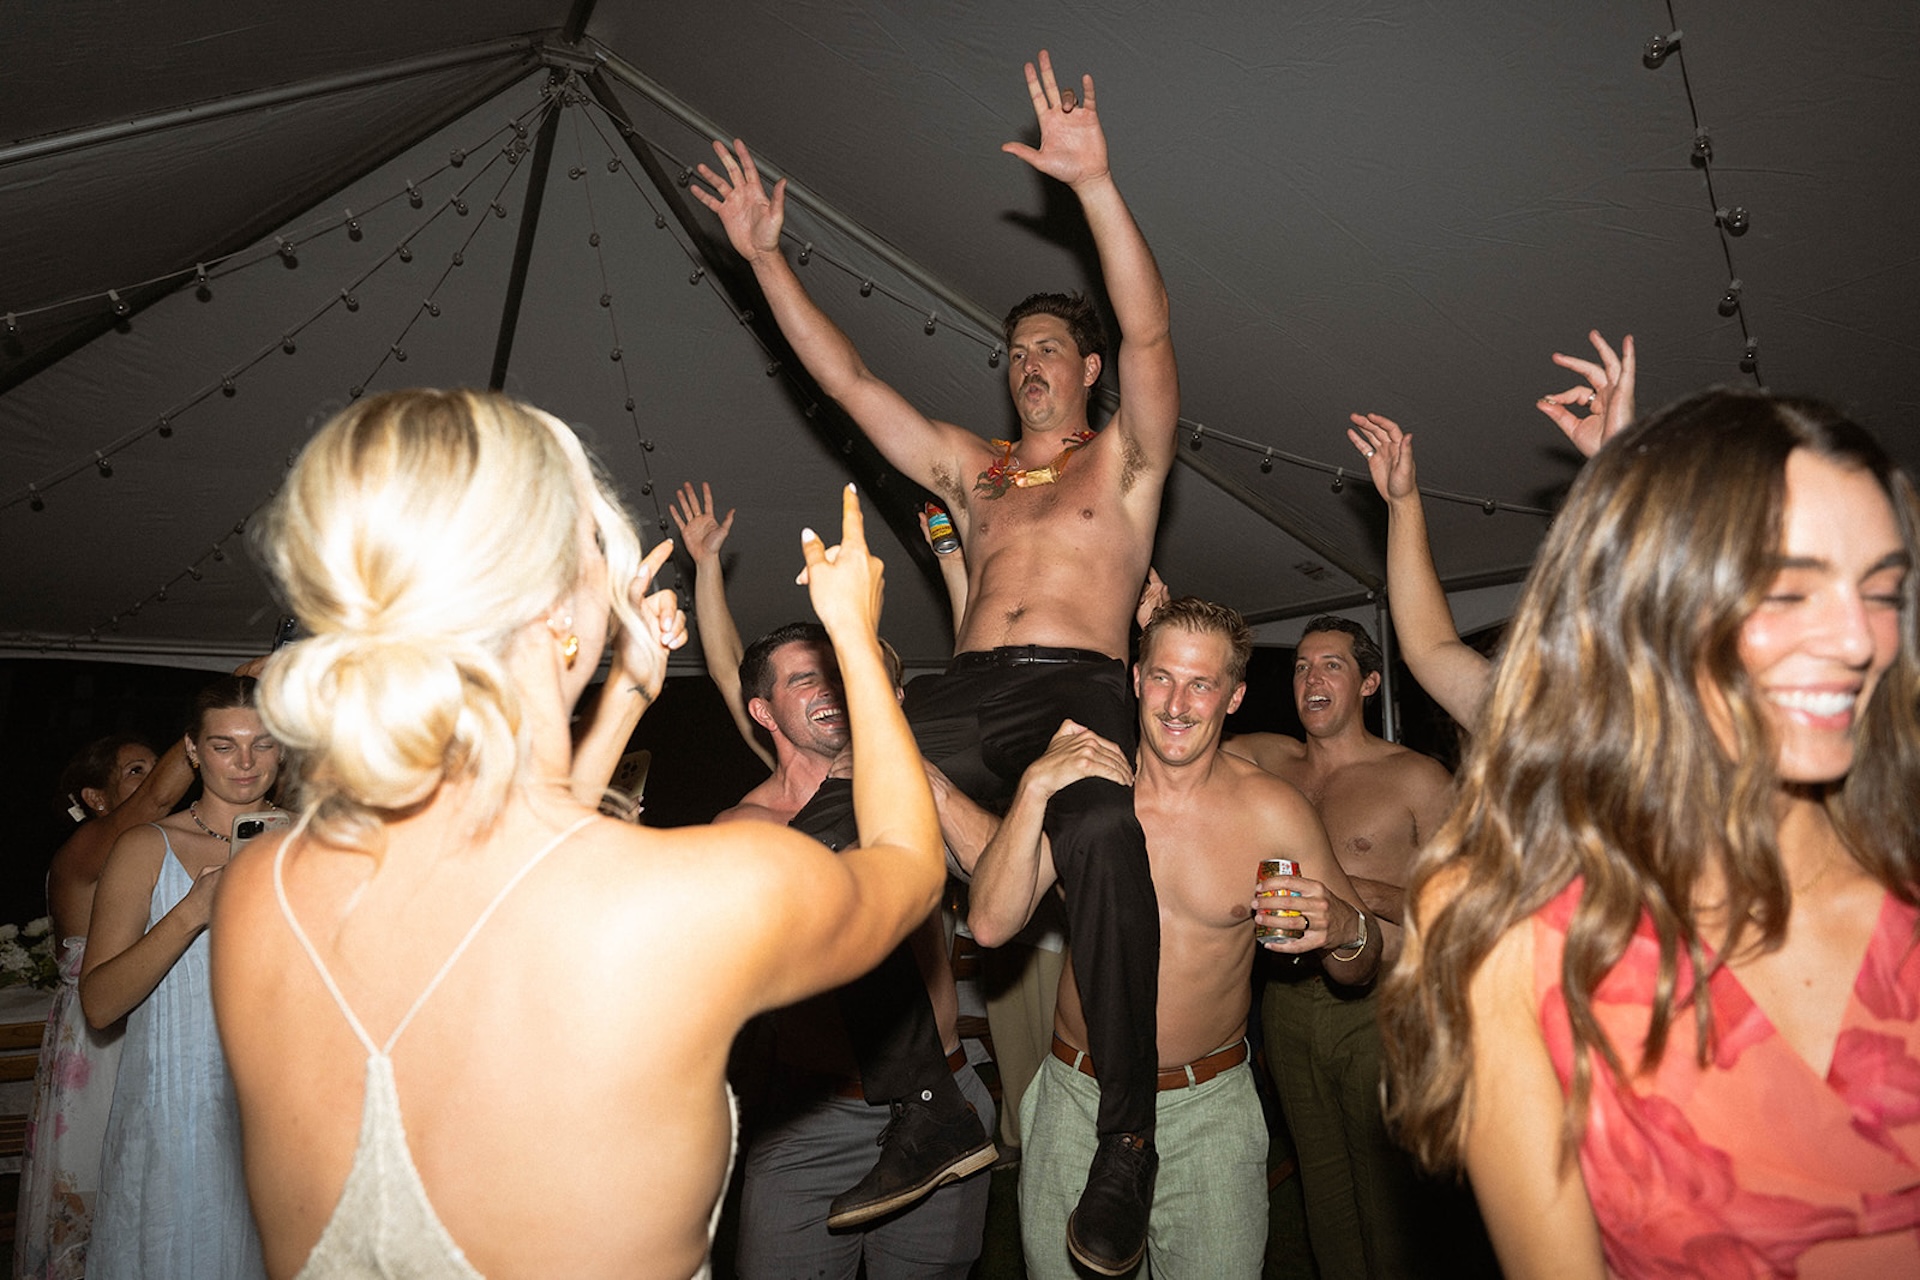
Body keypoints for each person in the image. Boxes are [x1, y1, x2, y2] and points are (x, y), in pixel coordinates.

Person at [209, 389, 944, 1280]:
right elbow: (908, 865)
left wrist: (628, 695)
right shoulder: (687, 897)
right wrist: (857, 642)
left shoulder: (264, 890)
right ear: (562, 611)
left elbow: (510, 874)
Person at [694, 50, 1180, 1271]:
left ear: (1086, 374)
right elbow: (852, 384)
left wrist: (1098, 187)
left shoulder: (1125, 462)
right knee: (825, 830)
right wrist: (763, 260)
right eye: (1013, 349)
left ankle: (1127, 1141)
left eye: (1047, 349)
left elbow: (1151, 323)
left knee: (1107, 837)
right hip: (959, 695)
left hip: (1075, 686)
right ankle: (926, 1103)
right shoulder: (975, 468)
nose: (1026, 362)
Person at [1380, 389, 1920, 1278]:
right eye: (1790, 586)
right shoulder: (1512, 922)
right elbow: (1433, 651)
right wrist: (1405, 503)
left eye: (1885, 590)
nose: (1858, 638)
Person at [964, 597, 1375, 1278]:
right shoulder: (1089, 790)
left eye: (1201, 683)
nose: (1177, 703)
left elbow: (1358, 969)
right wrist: (1037, 787)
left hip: (1206, 1109)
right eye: (1162, 677)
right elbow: (990, 922)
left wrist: (1347, 929)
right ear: (1134, 679)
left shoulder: (1273, 810)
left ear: (1234, 696)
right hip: (1078, 1100)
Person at [718, 624, 996, 1277]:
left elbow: (1002, 899)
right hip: (813, 1118)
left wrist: (934, 789)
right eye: (801, 677)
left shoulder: (906, 791)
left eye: (836, 673)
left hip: (944, 1097)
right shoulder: (746, 828)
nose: (827, 689)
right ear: (764, 712)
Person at [1226, 618, 1461, 1280]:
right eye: (1301, 666)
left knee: (1388, 1197)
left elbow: (1465, 905)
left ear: (1369, 682)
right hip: (1289, 1004)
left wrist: (1354, 892)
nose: (1312, 678)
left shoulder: (1416, 777)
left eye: (1331, 665)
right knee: (1323, 1189)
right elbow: (1182, 737)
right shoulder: (1269, 761)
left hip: (1381, 1007)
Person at [79, 675, 281, 1279]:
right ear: (193, 750)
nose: (245, 763)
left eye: (263, 743)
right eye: (224, 746)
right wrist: (193, 911)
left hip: (284, 1112)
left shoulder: (318, 842)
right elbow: (99, 1004)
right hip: (177, 1112)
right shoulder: (147, 846)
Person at [1342, 331, 1636, 727]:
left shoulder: (1669, 732)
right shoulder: (1530, 725)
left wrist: (1625, 466)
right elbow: (1430, 648)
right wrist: (1403, 503)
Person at [16, 730, 192, 1280]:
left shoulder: (153, 847)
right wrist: (218, 720)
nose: (152, 782)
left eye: (151, 768)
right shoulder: (91, 843)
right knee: (99, 1172)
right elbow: (160, 800)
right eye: (136, 771)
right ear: (96, 798)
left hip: (150, 1018)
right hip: (101, 1038)